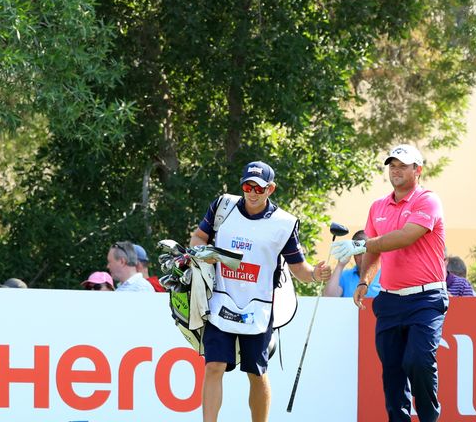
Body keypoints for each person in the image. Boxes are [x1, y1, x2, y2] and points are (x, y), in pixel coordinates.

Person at [189, 160, 331, 422]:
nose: (253, 192)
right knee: (214, 366)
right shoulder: (222, 206)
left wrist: (315, 274)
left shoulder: (284, 223)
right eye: (248, 186)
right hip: (220, 300)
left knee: (256, 373)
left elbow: (299, 268)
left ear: (271, 189)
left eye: (259, 188)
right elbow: (198, 237)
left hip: (259, 307)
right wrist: (202, 254)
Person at [331, 144, 448, 422]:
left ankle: (429, 418)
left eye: (402, 165)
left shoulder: (427, 200)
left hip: (426, 299)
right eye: (392, 165)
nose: (395, 170)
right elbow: (374, 252)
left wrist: (363, 243)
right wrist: (363, 282)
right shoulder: (378, 207)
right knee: (393, 372)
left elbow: (405, 236)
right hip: (390, 299)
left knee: (418, 361)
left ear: (417, 170)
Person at [323, 230, 381, 298]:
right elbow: (329, 296)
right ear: (353, 255)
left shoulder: (386, 274)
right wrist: (340, 265)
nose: (363, 258)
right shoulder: (345, 275)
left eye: (366, 252)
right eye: (358, 253)